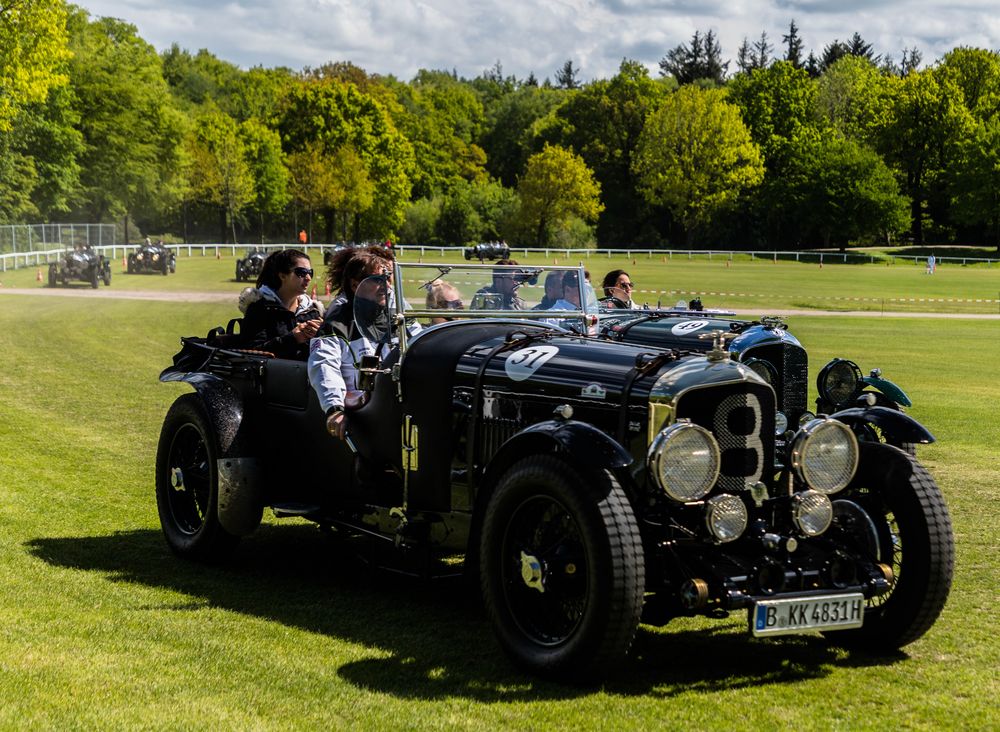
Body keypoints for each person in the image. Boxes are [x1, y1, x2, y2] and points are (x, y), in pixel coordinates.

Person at [308, 245, 399, 440]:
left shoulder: (399, 318)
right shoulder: (337, 323)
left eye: (388, 278)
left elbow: (421, 348)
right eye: (378, 280)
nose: (386, 285)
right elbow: (324, 366)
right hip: (361, 414)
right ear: (355, 285)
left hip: (398, 406)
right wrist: (335, 408)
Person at [238, 248, 323, 359]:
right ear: (282, 275)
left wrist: (322, 334)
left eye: (310, 273)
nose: (308, 278)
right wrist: (293, 338)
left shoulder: (312, 311)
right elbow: (251, 352)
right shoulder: (259, 309)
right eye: (301, 272)